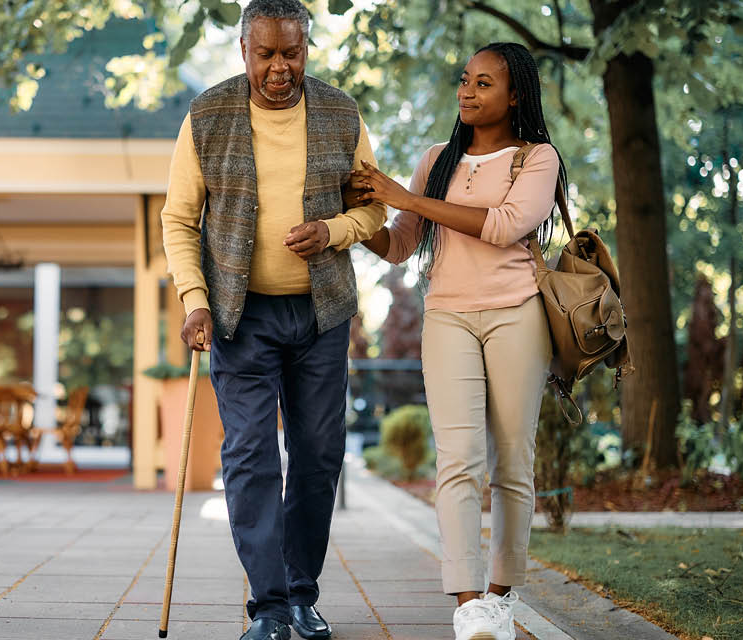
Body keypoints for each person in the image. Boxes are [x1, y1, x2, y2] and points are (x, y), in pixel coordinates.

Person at [159, 1, 386, 638]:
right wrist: (194, 299)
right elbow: (179, 219)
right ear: (245, 51)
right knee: (252, 455)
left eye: (292, 52)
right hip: (239, 314)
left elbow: (374, 213)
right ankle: (269, 605)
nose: (280, 67)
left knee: (317, 455)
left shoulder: (341, 113)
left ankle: (302, 595)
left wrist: (335, 230)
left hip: (321, 313)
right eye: (267, 54)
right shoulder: (208, 114)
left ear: (307, 48)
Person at [348, 42, 563, 640]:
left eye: (484, 83)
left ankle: (502, 593)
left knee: (513, 462)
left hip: (516, 315)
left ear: (515, 93)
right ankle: (470, 603)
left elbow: (501, 227)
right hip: (448, 317)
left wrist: (407, 198)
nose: (467, 91)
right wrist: (350, 221)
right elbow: (398, 244)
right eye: (465, 80)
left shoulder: (536, 159)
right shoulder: (435, 160)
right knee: (459, 462)